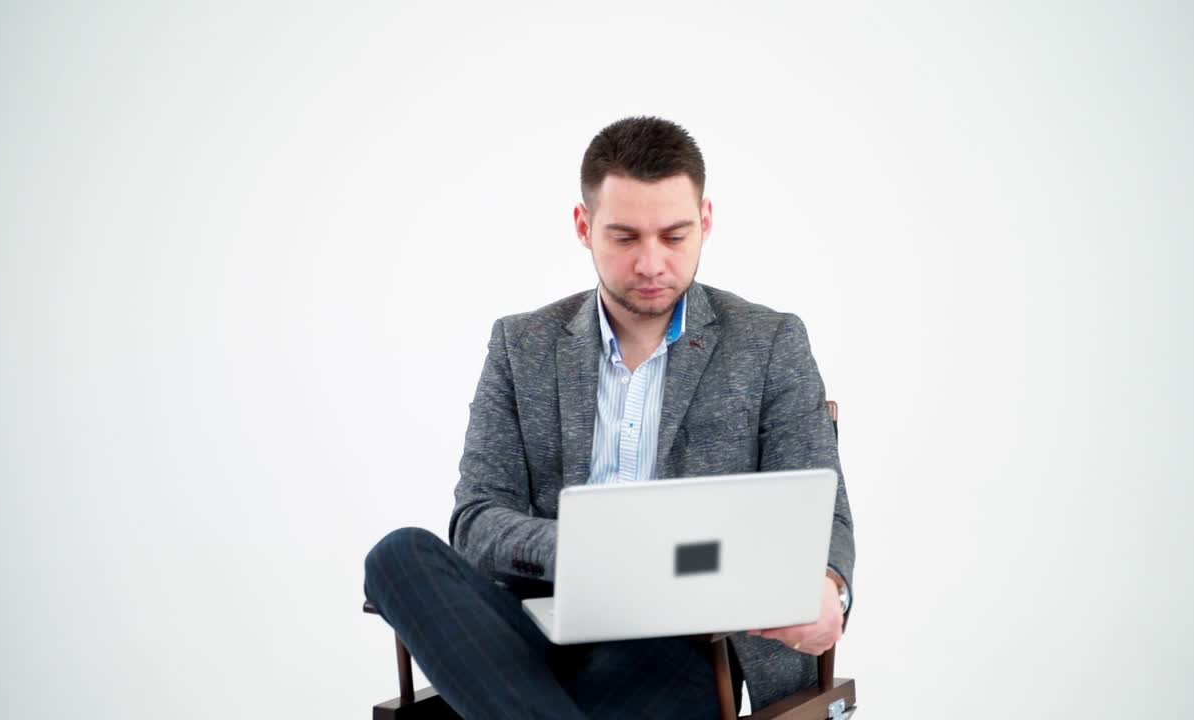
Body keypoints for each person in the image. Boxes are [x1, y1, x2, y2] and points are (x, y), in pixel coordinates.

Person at [364, 116, 855, 719]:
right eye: (625, 238)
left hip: (679, 643)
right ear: (584, 226)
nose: (650, 263)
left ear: (705, 221)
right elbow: (476, 522)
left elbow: (822, 512)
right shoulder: (522, 345)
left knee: (632, 664)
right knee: (398, 556)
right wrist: (593, 552)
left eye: (673, 236)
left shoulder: (769, 341)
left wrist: (829, 584)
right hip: (536, 626)